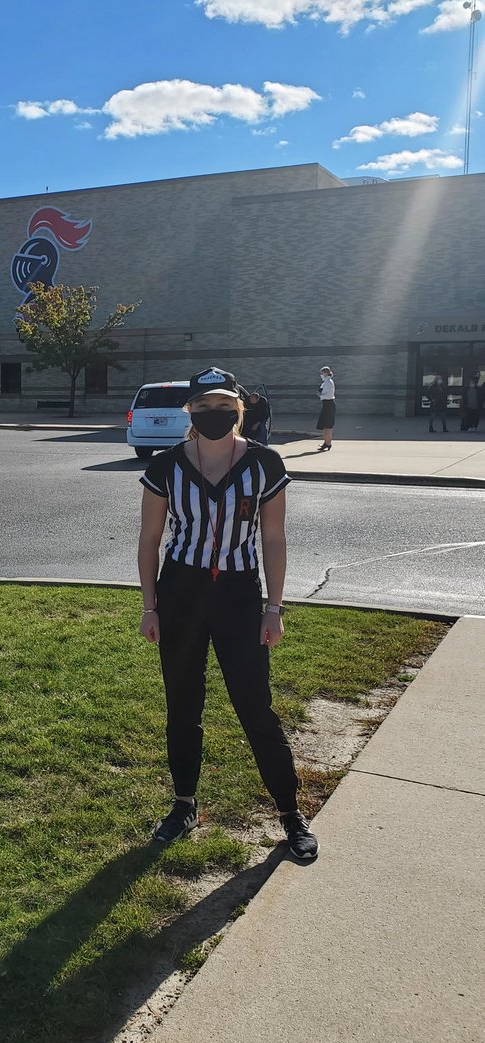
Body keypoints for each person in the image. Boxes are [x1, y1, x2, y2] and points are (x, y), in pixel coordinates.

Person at [137, 365, 318, 862]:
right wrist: (150, 606)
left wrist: (274, 606)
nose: (213, 413)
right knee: (183, 702)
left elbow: (273, 538)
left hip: (239, 593)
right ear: (190, 410)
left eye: (223, 405)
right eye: (203, 405)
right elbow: (151, 539)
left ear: (239, 408)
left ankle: (289, 813)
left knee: (255, 705)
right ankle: (184, 804)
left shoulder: (264, 463)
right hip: (181, 593)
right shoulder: (166, 466)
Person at [316, 366, 335, 451]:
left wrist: (320, 396)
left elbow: (328, 395)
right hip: (326, 404)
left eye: (322, 373)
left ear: (326, 373)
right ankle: (326, 442)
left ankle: (328, 443)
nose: (321, 375)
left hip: (329, 404)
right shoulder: (324, 382)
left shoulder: (329, 382)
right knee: (325, 425)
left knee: (329, 425)